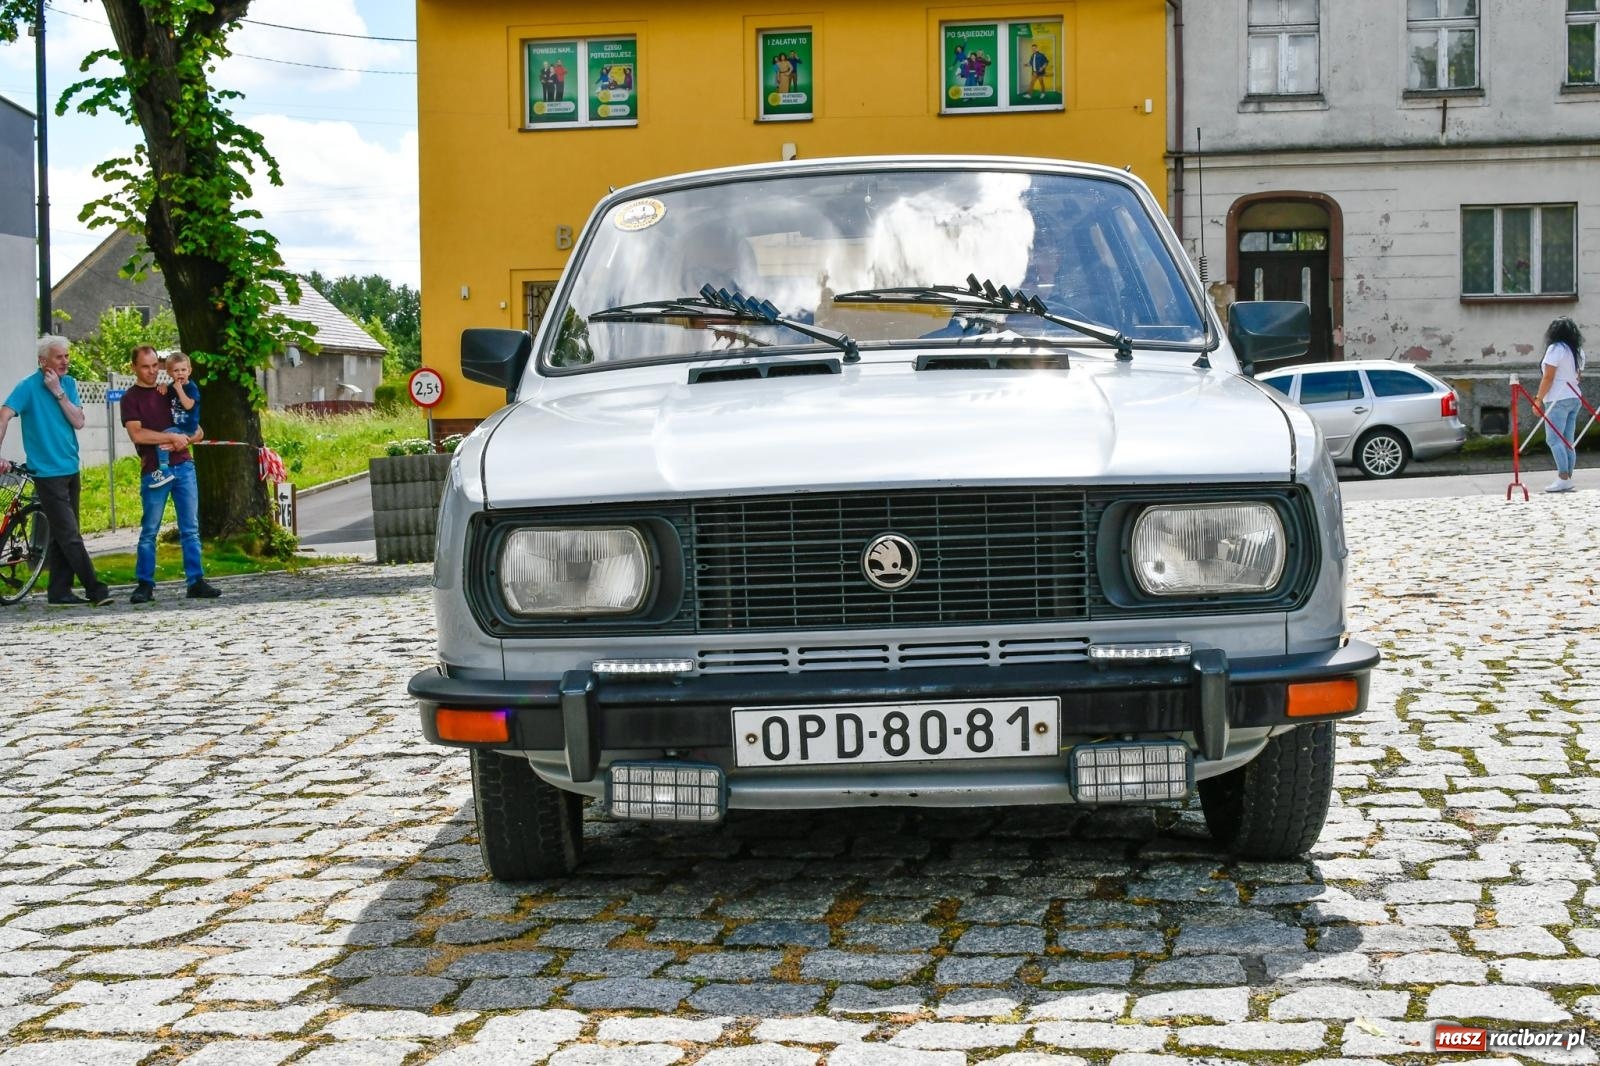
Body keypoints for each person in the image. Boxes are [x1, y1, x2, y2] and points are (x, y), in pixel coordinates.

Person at [0, 335, 114, 606]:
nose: (65, 361)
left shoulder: (69, 384)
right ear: (43, 361)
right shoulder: (27, 387)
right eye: (59, 356)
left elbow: (78, 421)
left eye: (67, 356)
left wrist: (58, 392)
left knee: (65, 532)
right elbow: (4, 415)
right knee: (70, 535)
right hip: (47, 473)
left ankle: (59, 592)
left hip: (70, 467)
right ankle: (96, 590)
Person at [120, 344, 220, 602]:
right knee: (150, 530)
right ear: (133, 368)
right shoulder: (131, 398)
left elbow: (197, 430)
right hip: (154, 470)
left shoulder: (171, 390)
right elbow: (137, 433)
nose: (152, 371)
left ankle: (195, 581)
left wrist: (184, 439)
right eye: (145, 367)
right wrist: (168, 437)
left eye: (155, 365)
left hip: (184, 465)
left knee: (190, 528)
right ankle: (145, 584)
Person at [1534, 317, 1587, 493]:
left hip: (1557, 398)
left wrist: (1538, 399)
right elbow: (1578, 376)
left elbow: (1548, 377)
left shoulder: (1555, 349)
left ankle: (1563, 478)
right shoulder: (1578, 350)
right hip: (1574, 397)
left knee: (1554, 439)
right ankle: (1567, 478)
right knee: (1568, 441)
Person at [148, 352, 200, 490]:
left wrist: (180, 390)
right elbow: (166, 394)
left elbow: (189, 405)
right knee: (165, 438)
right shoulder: (172, 387)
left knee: (163, 437)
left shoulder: (191, 387)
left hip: (187, 427)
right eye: (176, 371)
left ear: (189, 370)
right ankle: (166, 468)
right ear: (169, 372)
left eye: (183, 370)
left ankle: (164, 469)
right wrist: (164, 386)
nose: (180, 373)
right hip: (178, 425)